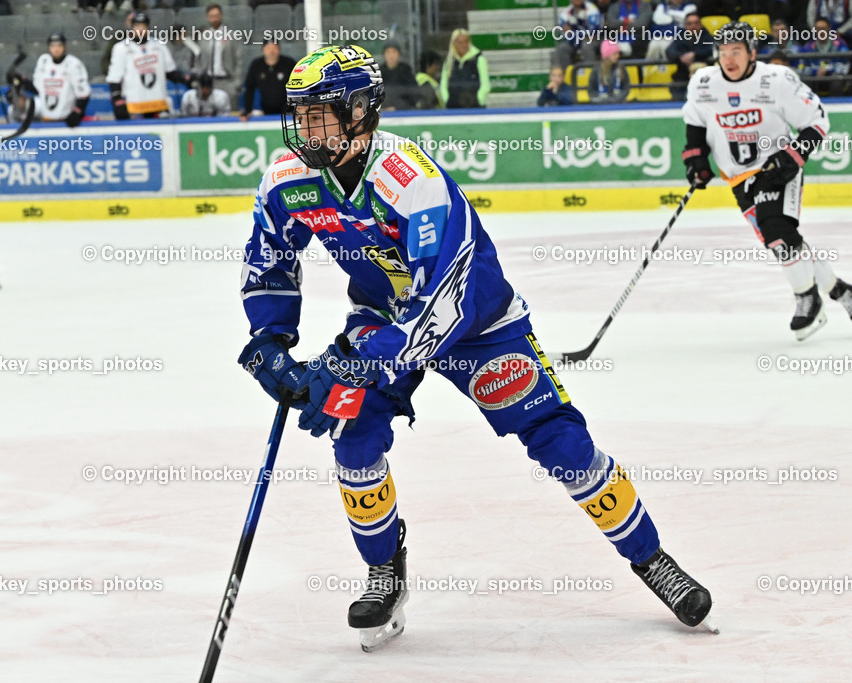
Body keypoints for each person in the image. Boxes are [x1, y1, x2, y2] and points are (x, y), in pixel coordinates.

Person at [238, 44, 715, 652]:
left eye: (322, 114)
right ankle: (384, 570)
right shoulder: (289, 179)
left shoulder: (409, 180)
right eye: (301, 115)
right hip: (381, 317)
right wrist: (270, 340)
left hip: (476, 322)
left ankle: (652, 559)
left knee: (561, 443)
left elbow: (443, 304)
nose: (307, 128)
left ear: (360, 112)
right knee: (354, 441)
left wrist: (349, 362)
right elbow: (271, 257)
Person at [682, 22, 852, 339]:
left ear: (752, 53)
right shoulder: (704, 83)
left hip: (777, 169)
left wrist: (791, 157)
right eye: (723, 52)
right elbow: (695, 123)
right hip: (738, 178)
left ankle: (808, 300)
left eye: (736, 51)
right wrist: (696, 158)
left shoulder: (776, 80)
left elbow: (817, 121)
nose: (728, 59)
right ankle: (842, 293)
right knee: (785, 243)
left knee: (776, 231)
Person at [107, 12, 189, 119]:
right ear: (131, 28)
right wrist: (117, 99)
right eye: (137, 26)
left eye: (143, 26)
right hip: (134, 105)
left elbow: (170, 71)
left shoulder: (159, 46)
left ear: (148, 28)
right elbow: (114, 77)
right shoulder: (121, 48)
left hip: (158, 103)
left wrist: (186, 79)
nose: (140, 29)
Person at [32, 32, 91, 127]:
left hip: (65, 121)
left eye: (59, 45)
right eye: (53, 46)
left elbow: (83, 93)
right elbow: (37, 88)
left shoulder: (73, 64)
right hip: (46, 120)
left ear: (64, 47)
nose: (56, 49)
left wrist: (77, 111)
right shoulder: (43, 61)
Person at [194, 3, 242, 105]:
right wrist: (199, 79)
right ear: (207, 17)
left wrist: (236, 83)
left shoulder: (232, 35)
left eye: (216, 15)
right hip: (207, 83)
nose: (214, 19)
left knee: (230, 116)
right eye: (211, 16)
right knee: (206, 115)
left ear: (221, 16)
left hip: (227, 81)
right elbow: (197, 59)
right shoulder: (203, 36)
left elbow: (239, 60)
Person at [239, 41, 296, 121]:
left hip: (288, 111)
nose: (271, 51)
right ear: (263, 49)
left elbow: (297, 87)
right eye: (269, 48)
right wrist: (247, 110)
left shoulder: (289, 63)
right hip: (266, 111)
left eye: (274, 48)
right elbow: (249, 88)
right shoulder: (257, 64)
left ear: (279, 49)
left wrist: (298, 109)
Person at [667, 13, 715, 99]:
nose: (693, 26)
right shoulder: (681, 37)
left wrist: (695, 54)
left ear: (700, 24)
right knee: (676, 90)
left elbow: (712, 49)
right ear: (686, 26)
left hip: (705, 78)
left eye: (696, 23)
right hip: (683, 76)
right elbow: (669, 51)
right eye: (690, 24)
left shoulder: (708, 37)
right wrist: (680, 56)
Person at [798, 17, 851, 96]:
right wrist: (815, 71)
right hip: (815, 78)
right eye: (818, 29)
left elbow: (846, 66)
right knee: (806, 80)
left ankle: (835, 105)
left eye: (823, 28)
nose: (821, 31)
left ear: (829, 29)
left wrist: (828, 70)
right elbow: (802, 67)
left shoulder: (840, 44)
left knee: (837, 80)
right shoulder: (808, 46)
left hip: (833, 76)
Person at [441, 29, 491, 108]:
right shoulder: (449, 62)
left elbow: (485, 84)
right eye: (460, 42)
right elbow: (443, 84)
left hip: (475, 107)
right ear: (454, 44)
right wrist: (447, 100)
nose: (463, 45)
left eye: (466, 41)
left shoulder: (479, 59)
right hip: (453, 107)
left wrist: (478, 100)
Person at [552, 0, 602, 68]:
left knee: (586, 45)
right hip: (573, 41)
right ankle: (567, 76)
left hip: (593, 39)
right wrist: (577, 35)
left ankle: (588, 75)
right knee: (562, 48)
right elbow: (563, 32)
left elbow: (593, 30)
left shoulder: (591, 9)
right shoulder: (566, 12)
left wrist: (573, 32)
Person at [378, 42, 418, 110]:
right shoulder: (378, 73)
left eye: (394, 52)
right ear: (384, 55)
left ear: (399, 54)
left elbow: (413, 94)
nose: (391, 56)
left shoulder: (406, 72)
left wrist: (398, 107)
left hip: (403, 113)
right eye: (388, 52)